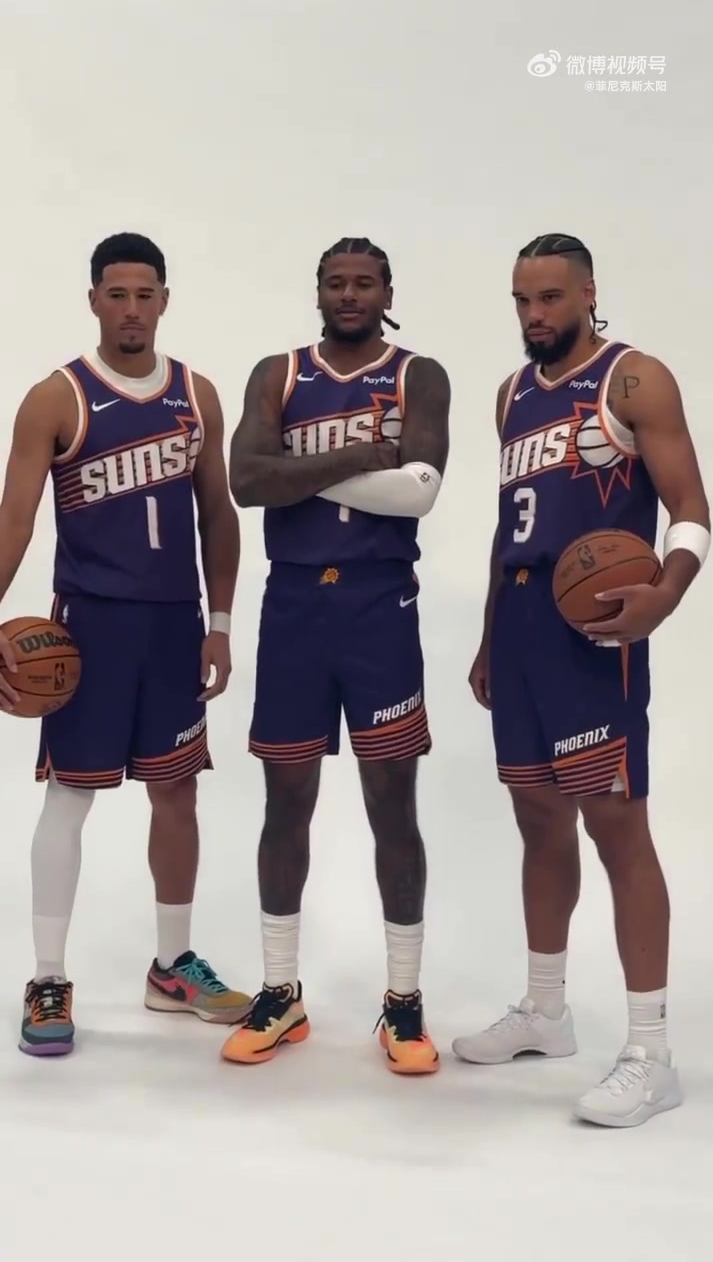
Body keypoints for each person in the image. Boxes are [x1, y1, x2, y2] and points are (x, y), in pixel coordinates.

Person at [452, 233, 710, 1125]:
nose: (534, 315)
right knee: (537, 817)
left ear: (589, 293)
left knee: (616, 825)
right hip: (523, 626)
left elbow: (691, 507)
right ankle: (546, 1009)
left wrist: (666, 594)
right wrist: (490, 637)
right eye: (522, 300)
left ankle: (651, 1053)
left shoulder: (634, 380)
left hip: (596, 632)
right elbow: (507, 528)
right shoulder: (511, 395)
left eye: (551, 298)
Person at [0, 232, 251, 1056]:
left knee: (176, 793)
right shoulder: (56, 397)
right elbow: (14, 520)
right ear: (94, 301)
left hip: (175, 623)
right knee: (70, 796)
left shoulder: (196, 394)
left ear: (165, 301)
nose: (132, 309)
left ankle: (172, 966)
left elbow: (218, 514)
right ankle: (47, 977)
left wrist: (220, 624)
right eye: (117, 294)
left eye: (146, 295)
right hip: (90, 627)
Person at [222, 236, 450, 1073]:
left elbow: (419, 490)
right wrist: (359, 455)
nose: (349, 294)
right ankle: (280, 992)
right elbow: (245, 481)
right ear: (317, 292)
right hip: (293, 605)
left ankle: (403, 1002)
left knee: (393, 804)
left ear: (388, 291)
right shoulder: (278, 373)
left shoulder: (418, 375)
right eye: (335, 282)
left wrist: (295, 468)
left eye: (364, 283)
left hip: (379, 603)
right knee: (286, 801)